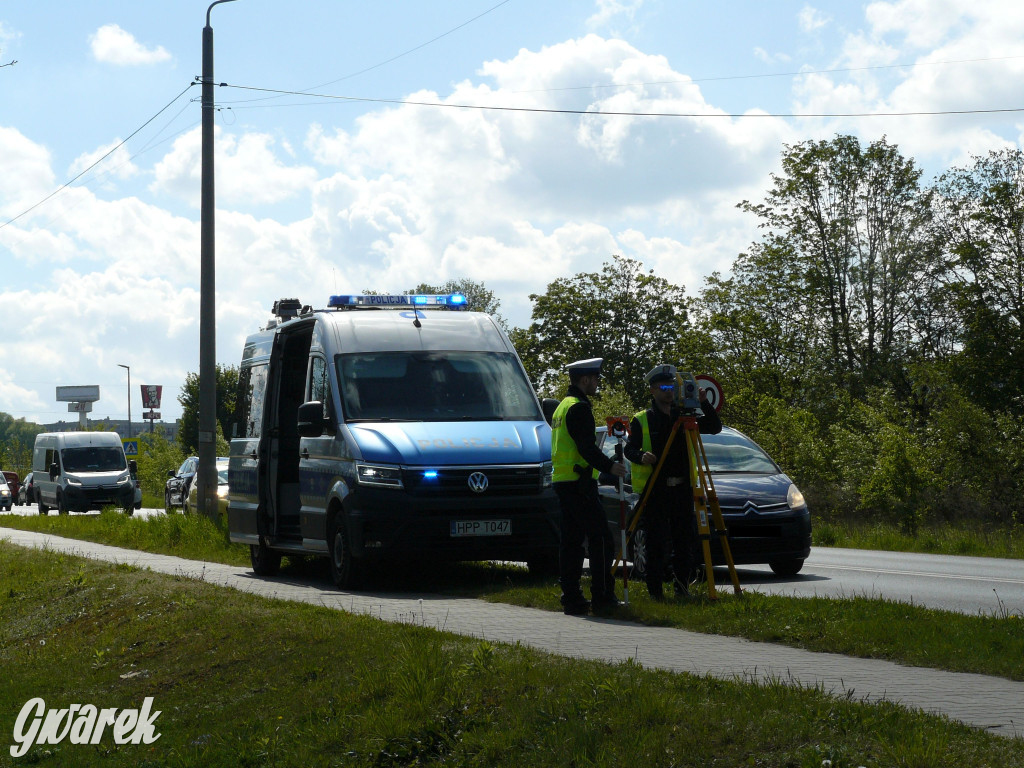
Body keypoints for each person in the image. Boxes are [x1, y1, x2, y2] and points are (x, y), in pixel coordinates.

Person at [624, 364, 721, 600]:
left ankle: (681, 588)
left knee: (684, 542)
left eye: (673, 387)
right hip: (655, 489)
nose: (670, 392)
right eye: (665, 387)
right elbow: (629, 449)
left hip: (683, 488)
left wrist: (703, 403)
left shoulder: (685, 416)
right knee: (656, 543)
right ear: (653, 391)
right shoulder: (642, 420)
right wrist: (640, 456)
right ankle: (656, 593)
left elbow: (715, 427)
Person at [551, 358, 627, 615]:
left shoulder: (562, 407)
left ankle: (572, 598)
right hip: (580, 482)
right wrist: (610, 467)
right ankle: (603, 597)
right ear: (585, 380)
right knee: (602, 540)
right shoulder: (580, 408)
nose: (597, 383)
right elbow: (586, 447)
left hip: (564, 482)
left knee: (571, 543)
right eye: (595, 379)